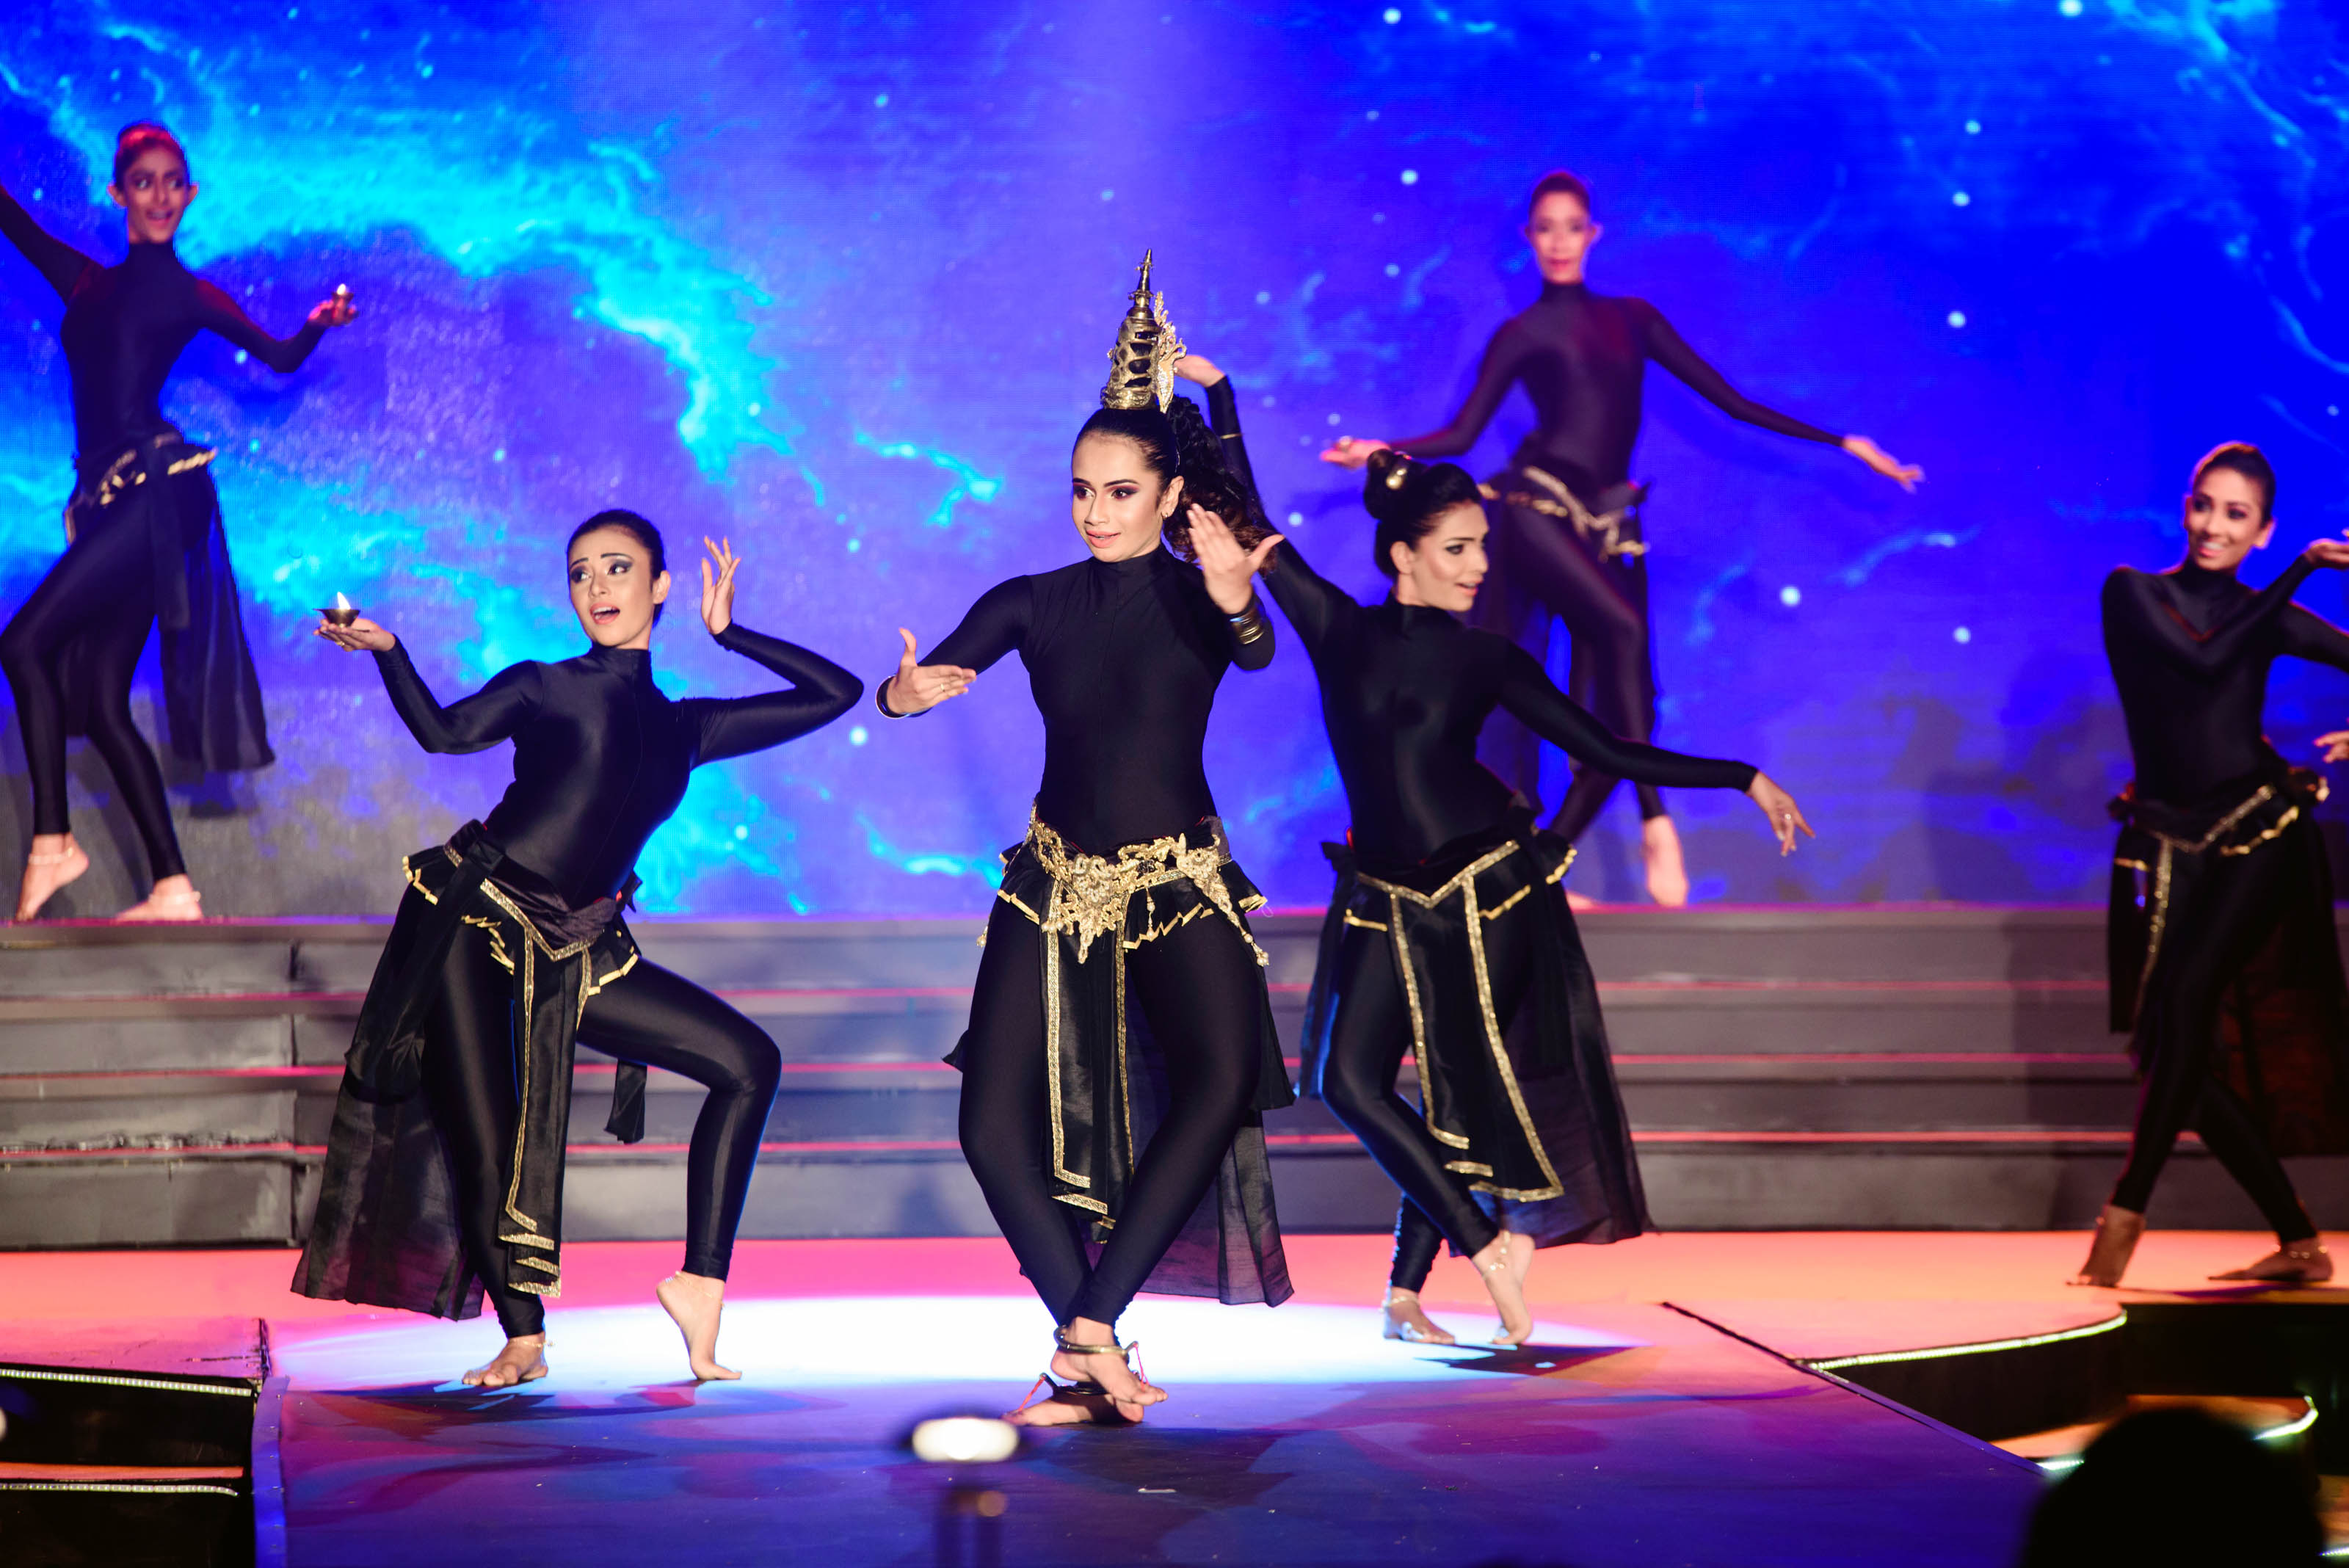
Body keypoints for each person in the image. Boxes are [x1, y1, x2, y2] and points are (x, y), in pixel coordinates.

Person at [1182, 353, 1808, 1343]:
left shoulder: (1489, 658)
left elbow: (1605, 747)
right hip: (1381, 890)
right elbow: (1248, 516)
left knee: (1459, 1091)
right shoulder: (1336, 628)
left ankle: (1435, 1276)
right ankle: (1458, 1258)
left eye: (1481, 547)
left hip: (1484, 890)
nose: (1480, 566)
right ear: (1404, 554)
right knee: (1346, 1082)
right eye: (1459, 548)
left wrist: (1741, 776)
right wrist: (1218, 394)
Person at [296, 515, 862, 1386]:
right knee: (486, 1141)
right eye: (580, 573)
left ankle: (700, 1284)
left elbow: (836, 693)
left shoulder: (686, 728)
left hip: (581, 945)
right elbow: (445, 733)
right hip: (476, 923)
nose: (597, 587)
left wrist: (731, 633)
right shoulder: (545, 685)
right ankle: (522, 1336)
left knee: (749, 1062)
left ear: (660, 586)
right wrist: (389, 651)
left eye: (618, 569)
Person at [879, 258, 1290, 1426]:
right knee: (988, 1123)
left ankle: (1086, 1333)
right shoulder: (1033, 599)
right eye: (1081, 491)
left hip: (1176, 882)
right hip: (1052, 882)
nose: (1096, 511)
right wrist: (906, 694)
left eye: (1119, 491)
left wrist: (1234, 593)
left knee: (1220, 1080)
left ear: (1168, 494)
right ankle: (1087, 1341)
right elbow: (915, 680)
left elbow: (1256, 648)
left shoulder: (1199, 596)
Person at [1321, 168, 1912, 907]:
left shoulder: (1632, 319)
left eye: (1572, 227)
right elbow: (1463, 433)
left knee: (1628, 690)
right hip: (1535, 504)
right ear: (1528, 238)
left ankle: (1554, 855)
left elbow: (1728, 401)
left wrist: (1842, 442)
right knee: (1614, 634)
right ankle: (1656, 821)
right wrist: (1380, 450)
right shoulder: (1523, 333)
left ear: (1592, 235)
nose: (1559, 241)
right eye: (1545, 228)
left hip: (1611, 523)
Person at [0, 121, 355, 921]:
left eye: (173, 182)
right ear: (118, 192)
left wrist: (316, 324)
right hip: (111, 505)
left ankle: (52, 842)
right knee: (99, 698)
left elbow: (279, 356)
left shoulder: (190, 294)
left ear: (189, 195)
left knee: (21, 645)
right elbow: (13, 220)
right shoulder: (84, 282)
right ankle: (173, 887)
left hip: (161, 492)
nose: (160, 195)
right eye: (144, 180)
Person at [2076, 443, 2349, 1288]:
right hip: (2163, 841)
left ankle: (2120, 1223)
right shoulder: (2132, 592)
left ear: (2260, 531)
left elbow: (2243, 635)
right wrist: (2300, 570)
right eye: (2204, 505)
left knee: (2187, 1001)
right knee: (2171, 1055)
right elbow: (2200, 654)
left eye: (2236, 515)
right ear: (2184, 507)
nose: (2213, 526)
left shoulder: (2268, 611)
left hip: (2257, 832)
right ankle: (2297, 1241)